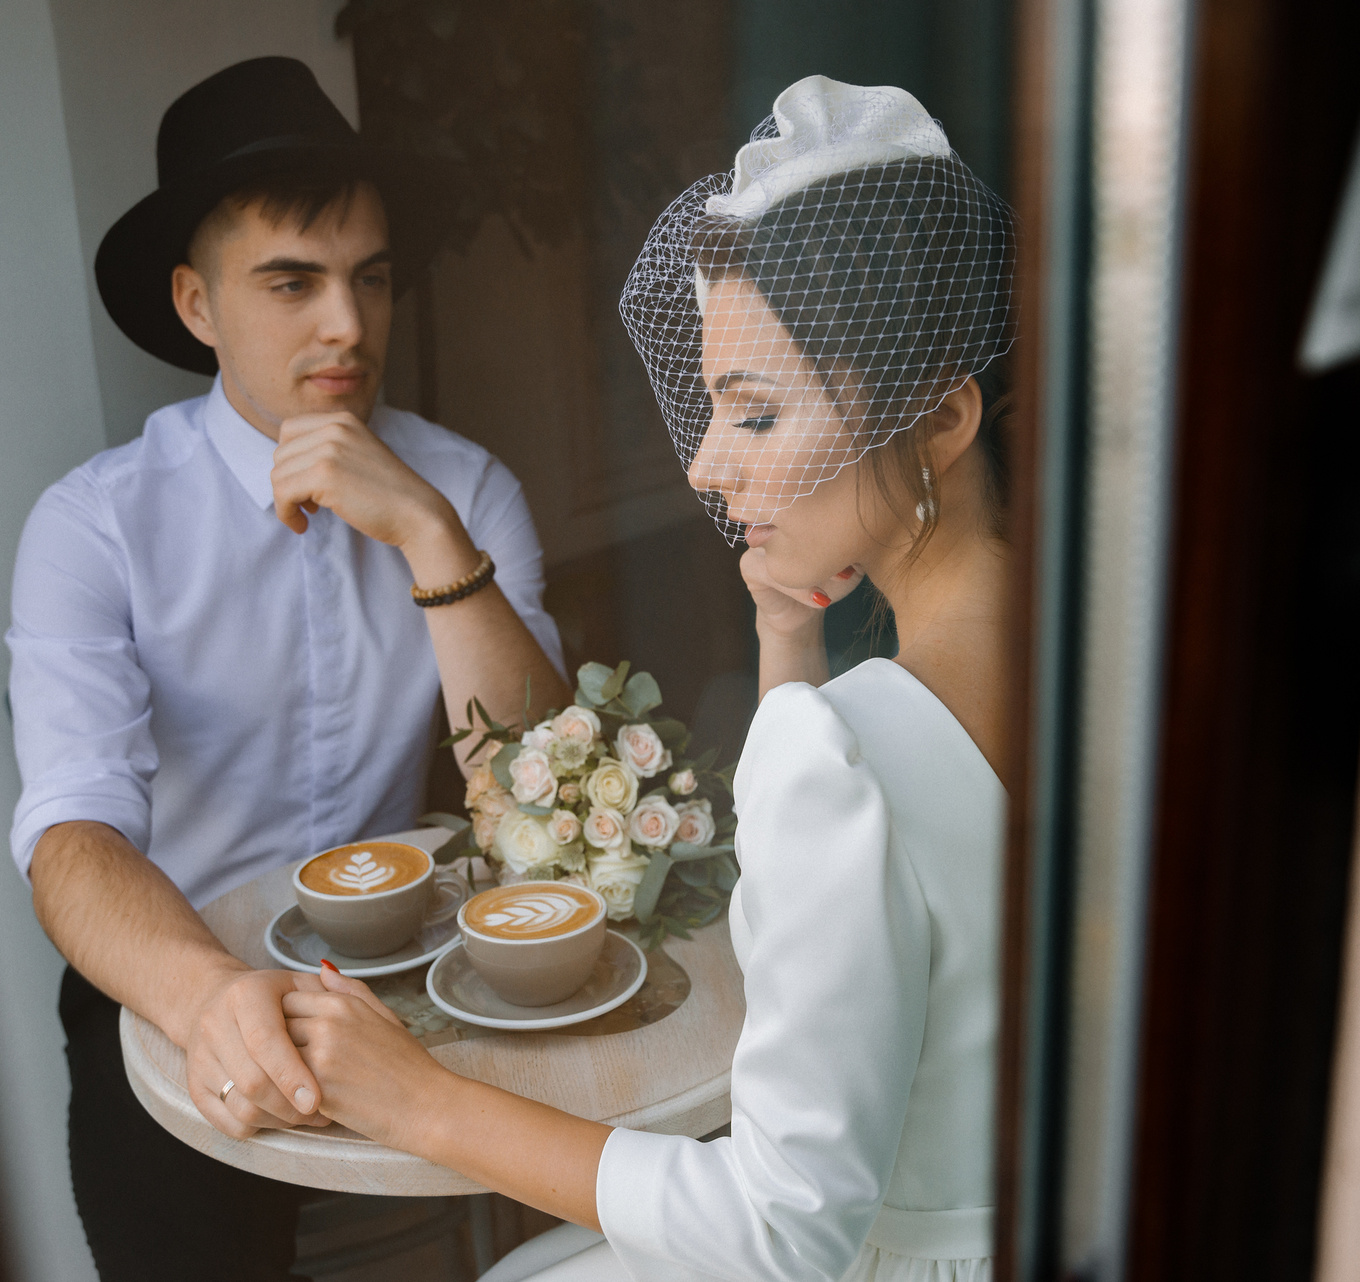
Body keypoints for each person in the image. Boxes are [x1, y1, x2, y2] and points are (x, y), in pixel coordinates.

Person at [277, 76, 1015, 1281]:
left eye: (755, 416)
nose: (707, 467)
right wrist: (788, 642)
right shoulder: (1107, 637)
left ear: (941, 418)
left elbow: (783, 1233)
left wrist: (421, 1101)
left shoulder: (840, 757)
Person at [6, 58, 569, 1280]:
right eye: (292, 281)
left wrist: (428, 537)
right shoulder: (92, 526)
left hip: (412, 956)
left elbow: (550, 805)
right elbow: (71, 838)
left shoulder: (467, 491)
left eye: (371, 277)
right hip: (173, 968)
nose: (349, 325)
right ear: (196, 303)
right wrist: (209, 995)